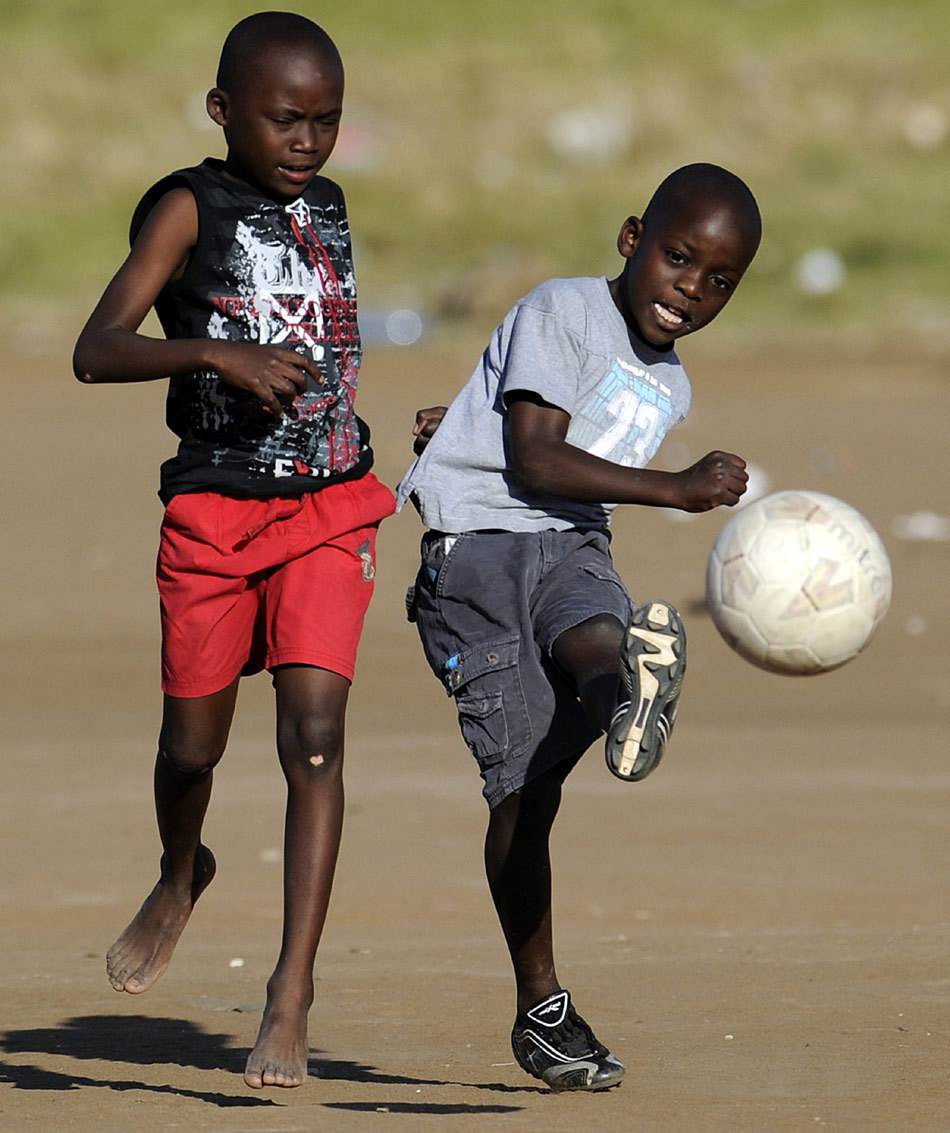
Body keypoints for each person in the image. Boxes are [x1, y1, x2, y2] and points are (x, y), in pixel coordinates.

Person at [72, 12, 395, 1091]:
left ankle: (289, 989)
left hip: (331, 509)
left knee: (313, 737)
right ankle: (181, 865)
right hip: (214, 514)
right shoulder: (185, 206)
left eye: (328, 121)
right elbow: (96, 346)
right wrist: (216, 351)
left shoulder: (332, 207)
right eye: (285, 119)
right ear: (223, 112)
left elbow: (332, 355)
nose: (308, 141)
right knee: (192, 751)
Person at [399, 163, 761, 1092]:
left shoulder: (669, 384)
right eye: (679, 258)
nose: (693, 289)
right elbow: (534, 453)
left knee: (592, 618)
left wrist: (467, 420)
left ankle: (626, 690)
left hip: (567, 543)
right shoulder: (565, 306)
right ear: (631, 237)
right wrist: (677, 489)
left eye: (720, 279)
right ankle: (542, 1005)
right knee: (523, 798)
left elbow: (558, 444)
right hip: (476, 555)